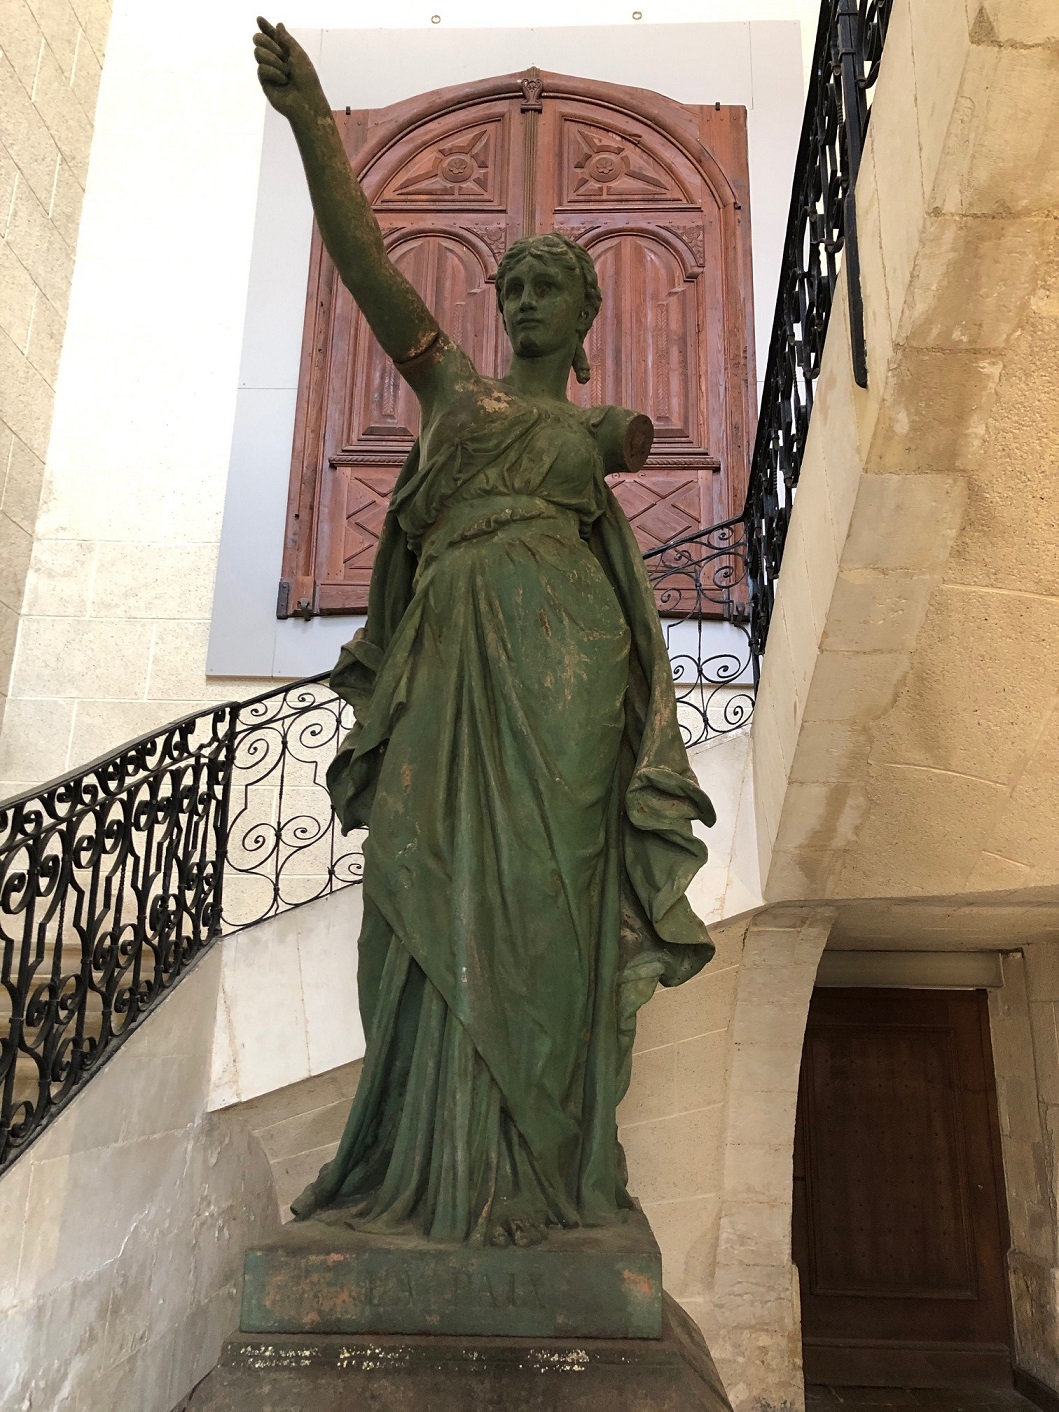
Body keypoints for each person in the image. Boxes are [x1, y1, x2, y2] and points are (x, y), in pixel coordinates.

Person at [253, 18, 716, 1250]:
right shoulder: (455, 387)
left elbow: (615, 552)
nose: (520, 299)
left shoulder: (604, 429)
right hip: (451, 654)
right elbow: (368, 270)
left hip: (568, 669)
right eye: (510, 286)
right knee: (412, 887)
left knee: (547, 903)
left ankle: (540, 1172)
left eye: (545, 286)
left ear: (586, 309)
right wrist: (315, 128)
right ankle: (417, 1165)